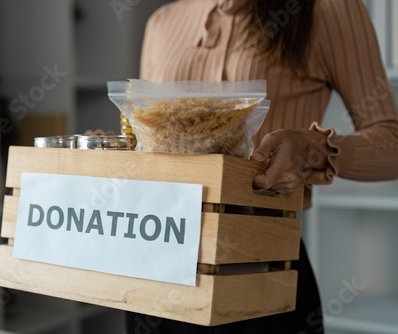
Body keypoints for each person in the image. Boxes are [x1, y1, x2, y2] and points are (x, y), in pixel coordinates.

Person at [125, 0, 398, 333]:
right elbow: (147, 138)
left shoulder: (328, 9)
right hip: (153, 261)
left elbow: (392, 141)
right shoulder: (162, 21)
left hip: (262, 262)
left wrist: (313, 150)